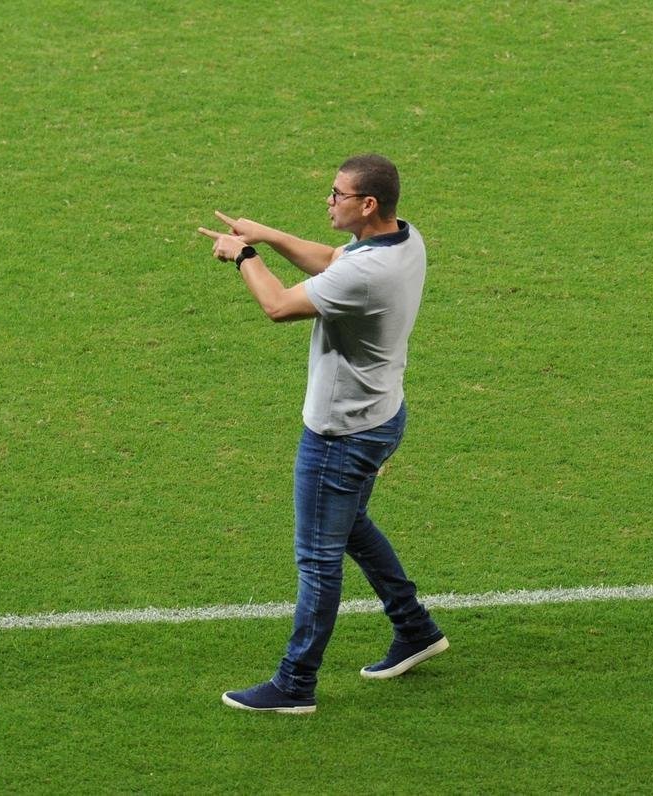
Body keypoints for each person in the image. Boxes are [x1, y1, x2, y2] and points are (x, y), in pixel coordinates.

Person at [197, 154, 447, 714]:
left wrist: (244, 255)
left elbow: (279, 304)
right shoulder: (404, 240)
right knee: (351, 526)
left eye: (337, 194)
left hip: (340, 435)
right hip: (382, 416)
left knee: (317, 559)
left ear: (368, 204)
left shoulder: (367, 274)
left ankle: (295, 683)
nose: (328, 201)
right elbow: (334, 259)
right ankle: (416, 629)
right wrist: (269, 234)